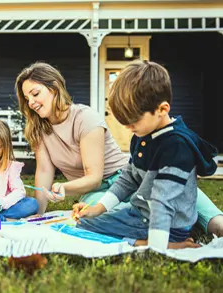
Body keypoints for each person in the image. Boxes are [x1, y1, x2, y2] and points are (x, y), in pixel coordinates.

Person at [15, 61, 223, 237]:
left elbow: (94, 176)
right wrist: (39, 215)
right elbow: (43, 171)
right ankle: (168, 225)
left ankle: (209, 223)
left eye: (35, 93)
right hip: (95, 194)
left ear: (54, 88)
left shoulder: (84, 118)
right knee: (98, 215)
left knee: (185, 195)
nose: (31, 102)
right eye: (26, 98)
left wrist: (65, 188)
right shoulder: (39, 129)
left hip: (128, 176)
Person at [72, 60, 219, 249]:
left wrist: (157, 248)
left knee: (86, 228)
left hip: (168, 225)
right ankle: (145, 239)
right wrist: (97, 209)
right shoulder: (142, 135)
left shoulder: (176, 146)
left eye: (133, 122)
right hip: (143, 213)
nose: (128, 129)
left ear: (162, 109)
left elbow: (162, 201)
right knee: (86, 221)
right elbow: (129, 178)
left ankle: (159, 244)